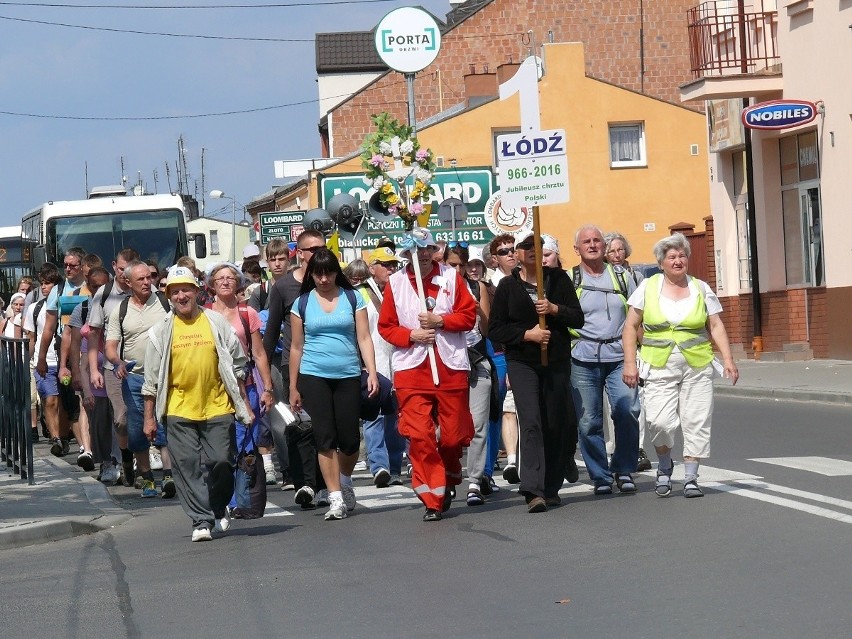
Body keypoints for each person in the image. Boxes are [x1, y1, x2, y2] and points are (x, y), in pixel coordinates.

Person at [622, 233, 739, 498]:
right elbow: (630, 326)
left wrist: (728, 359)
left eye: (682, 255)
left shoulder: (700, 288)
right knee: (659, 421)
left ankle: (691, 477)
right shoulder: (648, 287)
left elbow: (716, 324)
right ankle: (665, 463)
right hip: (657, 364)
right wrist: (630, 362)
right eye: (671, 257)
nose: (678, 261)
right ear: (661, 262)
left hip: (697, 363)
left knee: (696, 419)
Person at [143, 266, 253, 542]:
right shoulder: (160, 332)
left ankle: (216, 507)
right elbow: (151, 381)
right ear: (169, 296)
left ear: (197, 292)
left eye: (186, 290)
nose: (181, 296)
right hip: (178, 409)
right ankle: (201, 521)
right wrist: (149, 418)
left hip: (218, 406)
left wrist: (244, 404)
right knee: (188, 465)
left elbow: (238, 365)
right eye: (176, 291)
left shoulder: (216, 323)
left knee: (221, 462)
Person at [378, 228, 477, 522]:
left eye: (428, 248)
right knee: (419, 435)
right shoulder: (395, 284)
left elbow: (468, 316)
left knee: (452, 436)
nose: (422, 254)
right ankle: (432, 497)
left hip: (450, 366)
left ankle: (448, 473)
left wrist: (441, 321)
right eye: (416, 249)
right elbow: (386, 327)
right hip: (412, 370)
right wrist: (412, 335)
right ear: (406, 253)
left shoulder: (450, 276)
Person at [488, 233, 584, 512]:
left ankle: (551, 486)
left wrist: (554, 309)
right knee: (531, 421)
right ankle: (533, 489)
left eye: (538, 247)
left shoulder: (558, 279)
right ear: (516, 254)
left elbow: (578, 317)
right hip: (522, 362)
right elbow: (495, 329)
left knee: (555, 421)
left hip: (555, 361)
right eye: (526, 247)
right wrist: (526, 334)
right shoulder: (508, 287)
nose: (532, 251)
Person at [289, 248, 378, 521]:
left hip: (348, 374)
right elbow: (296, 347)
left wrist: (372, 372)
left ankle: (345, 479)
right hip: (314, 375)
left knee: (350, 439)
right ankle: (335, 497)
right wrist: (293, 386)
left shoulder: (352, 298)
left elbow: (364, 338)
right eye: (318, 273)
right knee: (324, 437)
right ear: (311, 274)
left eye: (328, 273)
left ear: (336, 272)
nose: (324, 279)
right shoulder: (302, 303)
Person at [569, 225, 641, 495]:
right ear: (577, 249)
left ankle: (623, 469)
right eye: (586, 241)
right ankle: (600, 476)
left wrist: (637, 354)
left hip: (620, 355)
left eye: (597, 240)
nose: (592, 245)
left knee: (627, 410)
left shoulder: (622, 277)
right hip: (582, 358)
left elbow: (636, 317)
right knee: (589, 421)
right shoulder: (570, 278)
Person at [263, 230, 328, 509]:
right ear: (299, 253)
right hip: (296, 365)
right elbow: (271, 330)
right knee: (303, 424)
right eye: (310, 250)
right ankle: (306, 483)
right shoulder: (283, 287)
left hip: (328, 362)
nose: (316, 255)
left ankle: (326, 484)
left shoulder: (332, 282)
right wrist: (264, 372)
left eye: (321, 249)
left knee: (326, 426)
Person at [205, 262, 276, 513]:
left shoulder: (248, 314)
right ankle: (224, 497)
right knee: (221, 445)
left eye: (230, 278)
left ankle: (240, 500)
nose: (225, 282)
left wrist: (267, 387)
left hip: (246, 387)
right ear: (211, 285)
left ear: (238, 283)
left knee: (246, 441)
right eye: (220, 278)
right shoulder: (202, 314)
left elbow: (259, 353)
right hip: (213, 388)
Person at [105, 261, 175, 498]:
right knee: (136, 429)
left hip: (165, 375)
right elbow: (111, 347)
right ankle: (147, 479)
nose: (147, 282)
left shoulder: (166, 303)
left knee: (164, 423)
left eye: (149, 277)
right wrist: (118, 363)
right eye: (141, 279)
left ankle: (168, 476)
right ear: (128, 282)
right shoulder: (121, 310)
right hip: (134, 378)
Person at [443, 244, 493, 506]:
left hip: (476, 359)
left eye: (462, 265)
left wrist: (476, 311)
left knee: (479, 423)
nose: (459, 270)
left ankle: (475, 480)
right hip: (448, 363)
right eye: (452, 265)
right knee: (448, 427)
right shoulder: (439, 290)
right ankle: (449, 476)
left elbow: (487, 329)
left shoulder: (477, 287)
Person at [88, 248, 140, 486]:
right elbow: (93, 334)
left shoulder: (144, 292)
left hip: (142, 368)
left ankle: (142, 461)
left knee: (143, 416)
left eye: (129, 271)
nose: (124, 275)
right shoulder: (104, 294)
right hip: (112, 367)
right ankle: (125, 458)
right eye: (120, 270)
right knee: (120, 418)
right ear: (114, 266)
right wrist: (93, 369)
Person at [605, 230, 651, 471]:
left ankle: (637, 447)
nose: (616, 254)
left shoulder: (637, 275)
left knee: (636, 400)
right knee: (613, 404)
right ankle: (614, 446)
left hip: (635, 343)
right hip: (610, 345)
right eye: (611, 250)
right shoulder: (601, 277)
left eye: (620, 249)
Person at [361, 247, 406, 487]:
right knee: (374, 416)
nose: (391, 269)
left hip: (398, 362)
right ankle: (379, 465)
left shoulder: (401, 289)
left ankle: (395, 465)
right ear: (372, 267)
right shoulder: (361, 294)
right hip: (373, 363)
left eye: (393, 265)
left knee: (395, 416)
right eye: (386, 264)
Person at [66, 267, 116, 481]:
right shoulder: (84, 310)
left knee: (121, 422)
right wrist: (82, 382)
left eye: (103, 286)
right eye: (95, 287)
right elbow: (77, 348)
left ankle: (126, 460)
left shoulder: (120, 306)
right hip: (96, 378)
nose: (99, 291)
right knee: (102, 423)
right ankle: (106, 462)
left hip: (118, 374)